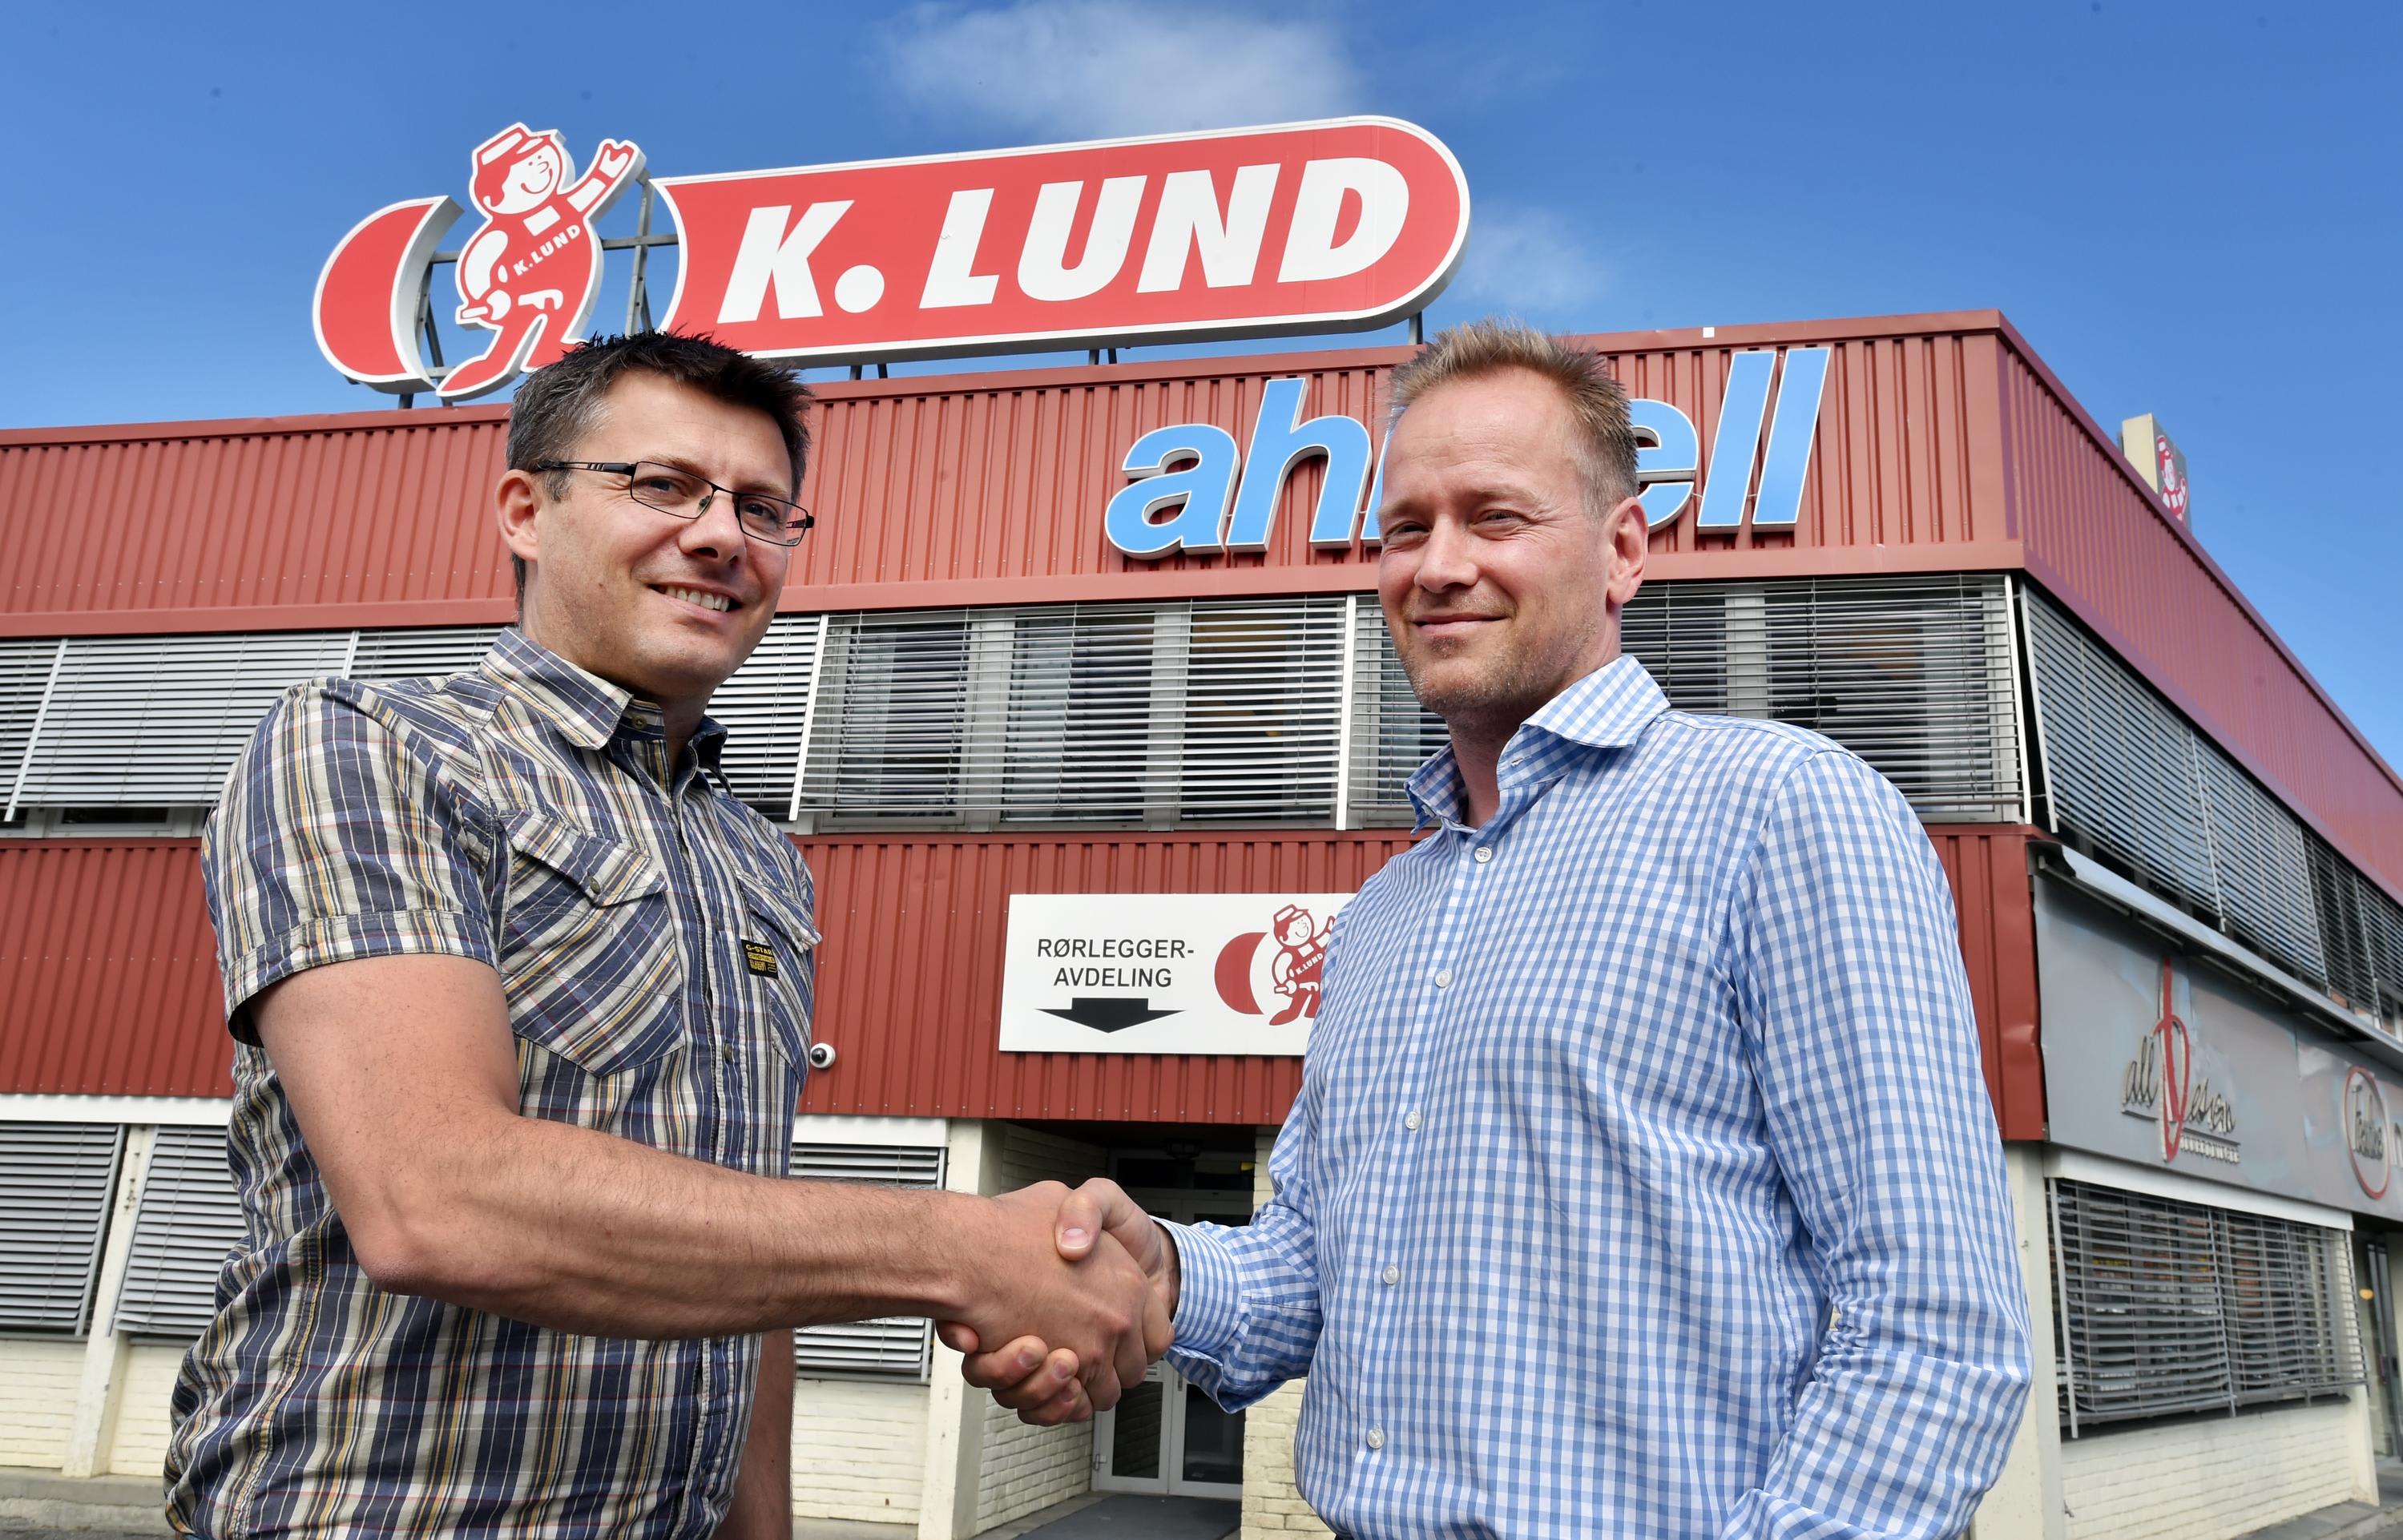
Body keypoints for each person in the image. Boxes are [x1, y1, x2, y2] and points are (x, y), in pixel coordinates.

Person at [955, 320, 2034, 1538]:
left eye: (1495, 518)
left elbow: (1934, 1323)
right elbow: (1313, 1266)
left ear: (1623, 549)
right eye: (1405, 528)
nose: (1438, 565)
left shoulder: (1783, 812)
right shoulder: (1382, 917)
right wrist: (1160, 1269)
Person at [171, 331, 1167, 1540]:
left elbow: (751, 1264)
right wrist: (964, 1249)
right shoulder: (370, 745)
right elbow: (431, 1197)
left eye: (762, 508)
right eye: (663, 484)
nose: (719, 535)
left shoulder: (759, 857)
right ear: (526, 510)